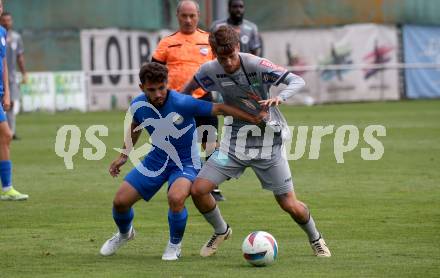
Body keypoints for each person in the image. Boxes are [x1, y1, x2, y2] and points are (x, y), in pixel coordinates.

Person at [182, 26, 331, 258]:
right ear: (213, 53)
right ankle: (221, 231)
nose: (229, 62)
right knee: (199, 190)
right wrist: (176, 109)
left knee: (288, 204)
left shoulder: (256, 64)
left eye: (232, 56)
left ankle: (316, 238)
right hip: (233, 144)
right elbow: (186, 92)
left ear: (238, 48)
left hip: (268, 144)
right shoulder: (209, 70)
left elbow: (297, 81)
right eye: (223, 58)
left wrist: (279, 97)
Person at [99, 62, 264, 260]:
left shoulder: (182, 103)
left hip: (186, 161)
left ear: (167, 84)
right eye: (152, 90)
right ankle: (125, 234)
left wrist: (252, 117)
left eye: (162, 88)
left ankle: (174, 246)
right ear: (142, 88)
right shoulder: (138, 105)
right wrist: (123, 156)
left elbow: (219, 108)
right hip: (156, 160)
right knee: (120, 202)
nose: (158, 94)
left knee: (176, 198)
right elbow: (136, 125)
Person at [152, 0, 225, 201]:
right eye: (184, 16)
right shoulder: (166, 42)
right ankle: (175, 181)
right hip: (174, 102)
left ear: (198, 16)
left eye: (192, 15)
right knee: (173, 143)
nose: (188, 20)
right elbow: (154, 72)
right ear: (178, 16)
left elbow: (220, 68)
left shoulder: (208, 40)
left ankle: (213, 185)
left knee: (210, 142)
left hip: (202, 99)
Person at [0, 1, 28, 201]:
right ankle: (7, 187)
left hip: (1, 91)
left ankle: (7, 188)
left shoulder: (2, 33)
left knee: (6, 136)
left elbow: (3, 64)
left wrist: (7, 92)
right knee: (6, 135)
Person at [0, 12, 27, 140]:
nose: (6, 22)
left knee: (10, 104)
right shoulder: (1, 34)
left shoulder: (16, 37)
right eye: (4, 20)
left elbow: (20, 58)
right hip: (2, 76)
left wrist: (24, 73)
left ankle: (11, 131)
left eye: (8, 20)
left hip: (10, 77)